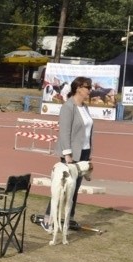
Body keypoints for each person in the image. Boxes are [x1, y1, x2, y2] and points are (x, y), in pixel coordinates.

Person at [39, 76, 94, 232]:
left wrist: (89, 153)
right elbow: (64, 133)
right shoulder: (68, 107)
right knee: (61, 187)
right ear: (78, 88)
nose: (90, 90)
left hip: (84, 151)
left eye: (90, 87)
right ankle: (48, 219)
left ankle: (68, 218)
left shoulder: (85, 107)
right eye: (87, 87)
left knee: (75, 188)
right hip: (71, 153)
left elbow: (89, 132)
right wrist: (67, 155)